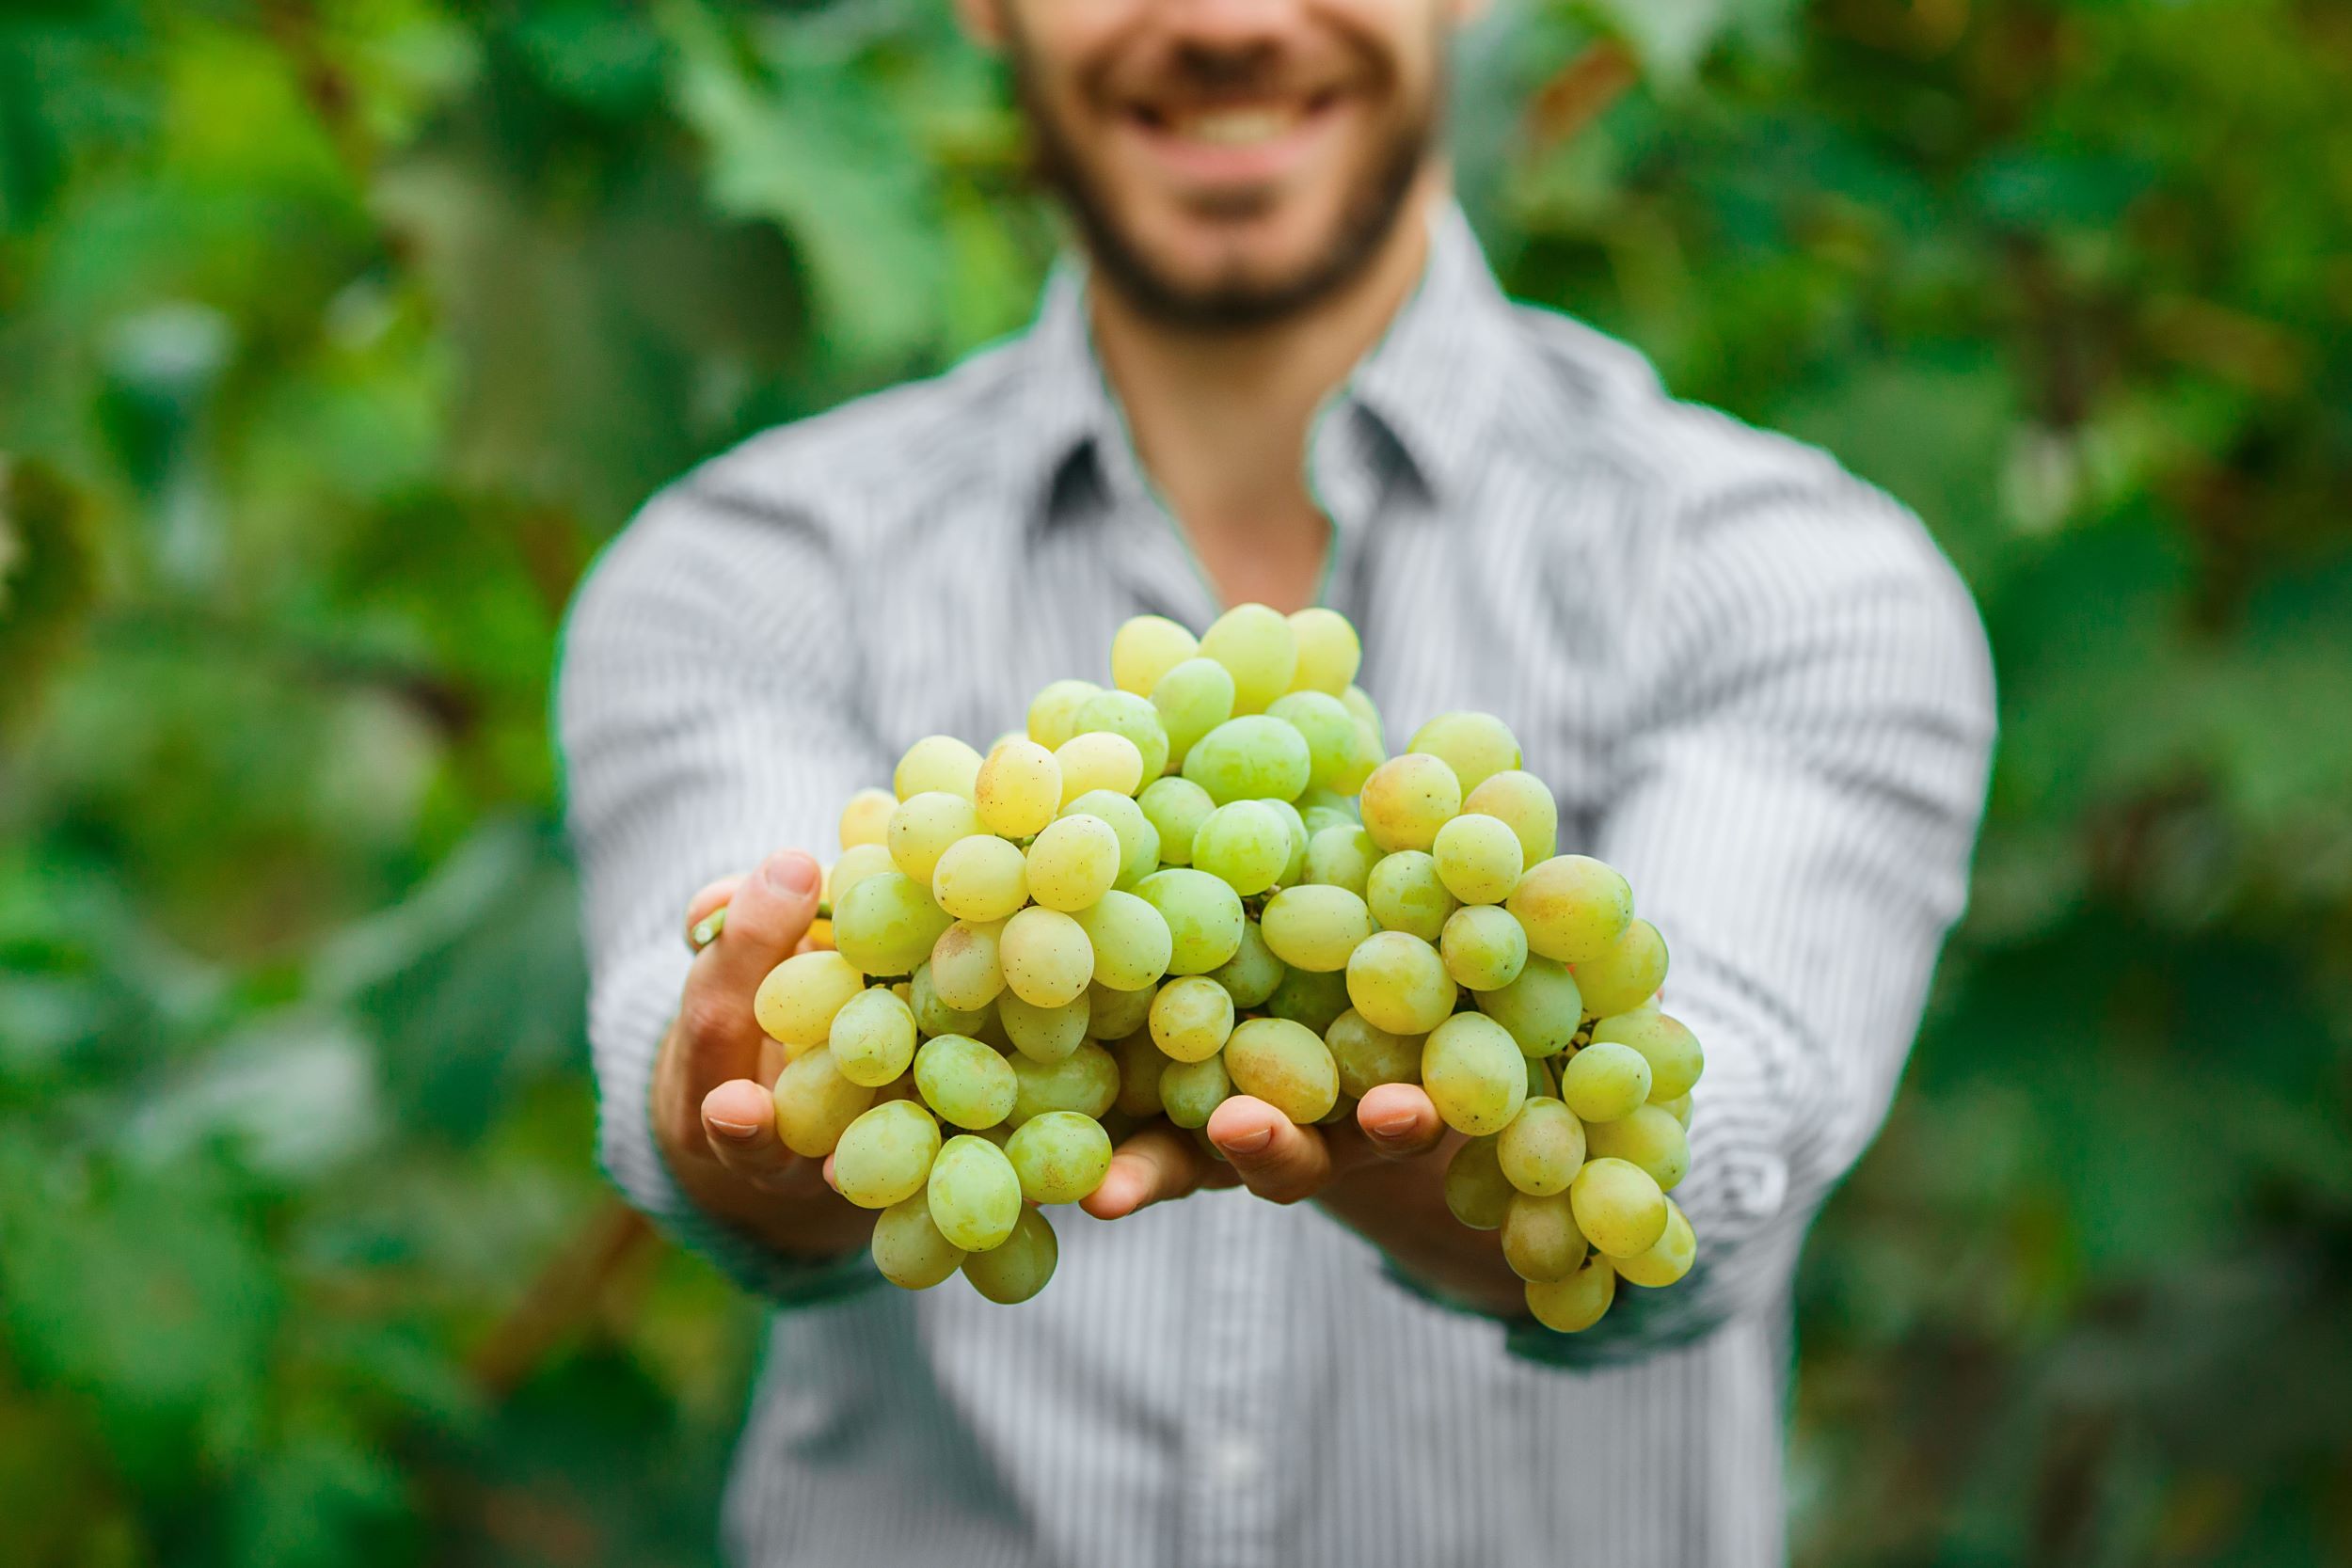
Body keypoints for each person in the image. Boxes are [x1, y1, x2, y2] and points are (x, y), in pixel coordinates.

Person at [556, 0, 1994, 1560]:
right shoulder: (750, 568)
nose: (1229, 19)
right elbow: (699, 1048)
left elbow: (1704, 1166)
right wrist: (738, 1121)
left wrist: (1457, 1150)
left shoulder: (1793, 580)